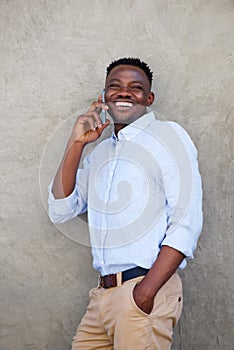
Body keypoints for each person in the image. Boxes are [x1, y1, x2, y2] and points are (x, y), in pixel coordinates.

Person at [48, 57, 203, 350]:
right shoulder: (101, 153)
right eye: (115, 86)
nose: (124, 92)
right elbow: (60, 208)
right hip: (102, 297)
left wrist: (145, 293)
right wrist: (77, 143)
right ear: (104, 96)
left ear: (149, 98)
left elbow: (187, 223)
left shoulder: (168, 136)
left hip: (142, 292)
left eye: (135, 87)